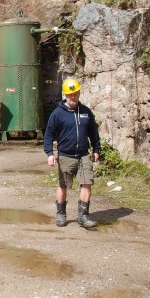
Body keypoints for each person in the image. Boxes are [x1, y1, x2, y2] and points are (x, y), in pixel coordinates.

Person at [43, 78, 101, 229]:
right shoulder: (57, 114)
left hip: (83, 155)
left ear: (79, 93)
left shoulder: (86, 112)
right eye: (70, 94)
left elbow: (94, 133)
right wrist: (50, 153)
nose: (73, 97)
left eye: (75, 93)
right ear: (65, 95)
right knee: (63, 186)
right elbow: (48, 135)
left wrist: (96, 149)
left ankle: (83, 216)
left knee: (87, 183)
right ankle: (61, 213)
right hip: (65, 155)